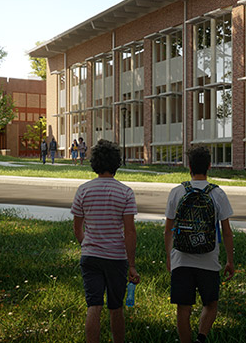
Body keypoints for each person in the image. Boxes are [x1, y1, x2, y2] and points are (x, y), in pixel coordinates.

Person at [71, 139, 140, 343]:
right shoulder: (125, 192)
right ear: (116, 163)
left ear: (95, 163)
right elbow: (130, 232)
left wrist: (86, 244)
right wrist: (132, 265)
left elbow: (77, 227)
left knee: (94, 305)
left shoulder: (83, 190)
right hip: (116, 258)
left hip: (90, 256)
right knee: (115, 307)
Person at [165, 146, 235, 343]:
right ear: (209, 166)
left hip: (181, 259)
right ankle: (201, 338)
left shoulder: (177, 192)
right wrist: (229, 260)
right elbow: (227, 232)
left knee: (183, 309)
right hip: (209, 260)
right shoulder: (218, 193)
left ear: (188, 166)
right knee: (211, 303)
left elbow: (168, 230)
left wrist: (170, 257)